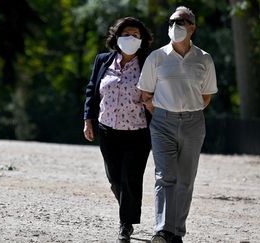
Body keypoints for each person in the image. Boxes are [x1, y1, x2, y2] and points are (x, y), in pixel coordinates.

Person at [137, 6, 218, 243]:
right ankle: (163, 230)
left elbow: (206, 96)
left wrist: (187, 111)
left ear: (192, 27)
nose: (175, 26)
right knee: (165, 176)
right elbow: (145, 93)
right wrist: (161, 111)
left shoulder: (204, 58)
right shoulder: (157, 57)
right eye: (172, 21)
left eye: (181, 22)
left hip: (194, 123)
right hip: (162, 122)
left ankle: (176, 232)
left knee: (185, 179)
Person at [83, 17, 153, 243]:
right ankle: (128, 209)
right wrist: (88, 120)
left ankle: (126, 225)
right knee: (114, 178)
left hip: (138, 132)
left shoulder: (148, 64)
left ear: (141, 40)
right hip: (107, 129)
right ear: (117, 37)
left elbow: (158, 95)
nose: (130, 38)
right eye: (126, 34)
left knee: (130, 178)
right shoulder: (103, 61)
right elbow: (92, 90)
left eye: (135, 35)